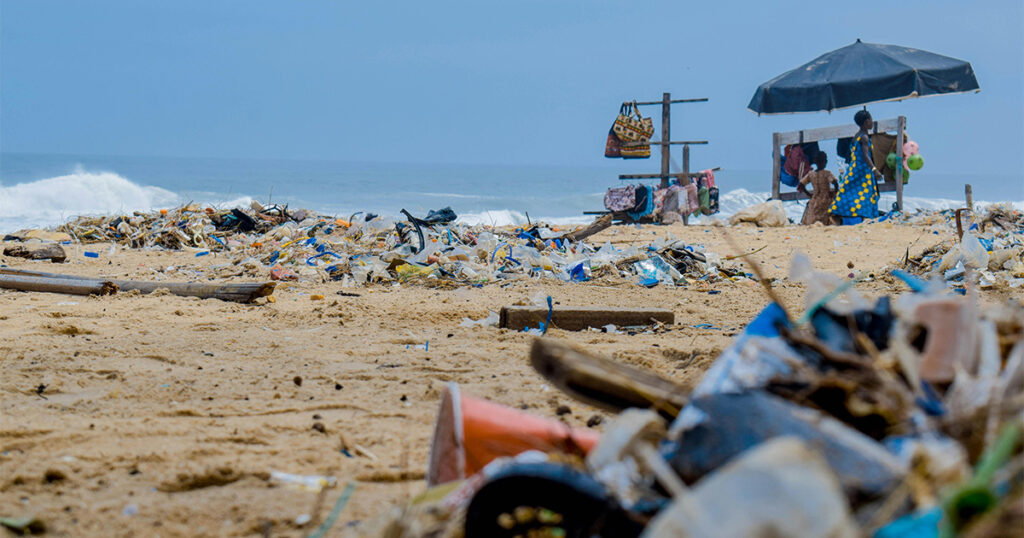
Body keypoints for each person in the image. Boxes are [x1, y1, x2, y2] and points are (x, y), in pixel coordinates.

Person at [829, 109, 880, 223]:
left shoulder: (856, 136)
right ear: (867, 121)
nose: (872, 122)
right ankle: (866, 217)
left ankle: (837, 213)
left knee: (849, 192)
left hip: (854, 169)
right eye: (871, 120)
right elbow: (866, 156)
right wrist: (874, 169)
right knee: (865, 194)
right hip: (863, 171)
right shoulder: (864, 138)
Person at [798, 152, 837, 225]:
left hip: (815, 198)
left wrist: (809, 194)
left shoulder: (811, 174)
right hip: (826, 198)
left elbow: (801, 185)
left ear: (815, 162)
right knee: (828, 216)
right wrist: (834, 193)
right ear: (825, 162)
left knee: (812, 216)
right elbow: (835, 182)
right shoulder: (827, 173)